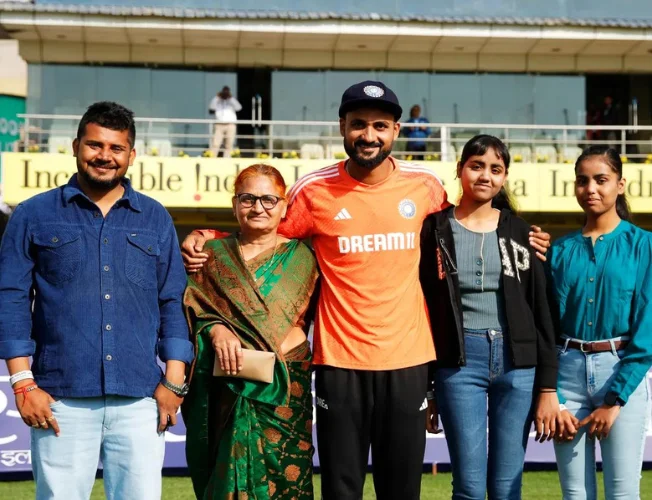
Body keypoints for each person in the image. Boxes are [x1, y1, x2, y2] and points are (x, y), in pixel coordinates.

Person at [181, 81, 551, 500]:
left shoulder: (425, 187)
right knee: (342, 488)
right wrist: (207, 236)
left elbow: (470, 219)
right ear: (342, 127)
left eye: (380, 125)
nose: (368, 135)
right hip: (340, 364)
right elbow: (262, 234)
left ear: (396, 130)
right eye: (358, 125)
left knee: (401, 489)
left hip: (409, 362)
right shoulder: (313, 190)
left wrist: (522, 235)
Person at [0, 102, 194, 500]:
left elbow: (173, 300)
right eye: (94, 145)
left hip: (141, 400)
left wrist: (174, 381)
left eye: (116, 148)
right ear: (75, 146)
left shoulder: (155, 218)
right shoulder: (33, 215)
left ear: (131, 155)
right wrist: (23, 385)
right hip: (60, 399)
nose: (104, 156)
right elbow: (12, 300)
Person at [420, 135, 560, 500]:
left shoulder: (522, 233)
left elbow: (542, 313)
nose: (485, 176)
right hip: (459, 363)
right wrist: (428, 387)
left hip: (518, 365)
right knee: (468, 485)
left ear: (505, 177)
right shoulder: (433, 230)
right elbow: (422, 310)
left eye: (495, 169)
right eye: (476, 166)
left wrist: (547, 386)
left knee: (506, 486)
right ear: (460, 170)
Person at [182, 164, 319, 499]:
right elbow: (191, 310)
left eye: (269, 200)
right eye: (248, 199)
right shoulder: (209, 256)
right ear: (234, 204)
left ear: (285, 206)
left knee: (287, 477)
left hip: (287, 386)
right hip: (228, 383)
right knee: (227, 473)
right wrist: (214, 329)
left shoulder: (304, 256)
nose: (258, 207)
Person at [547, 146, 652, 500]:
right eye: (582, 180)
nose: (590, 188)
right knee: (575, 495)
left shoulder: (644, 247)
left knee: (622, 494)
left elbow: (648, 329)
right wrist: (556, 400)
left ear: (620, 185)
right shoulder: (558, 252)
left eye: (601, 180)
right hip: (567, 375)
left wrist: (615, 400)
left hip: (621, 373)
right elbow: (545, 328)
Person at [208, 85, 242, 158]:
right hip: (219, 124)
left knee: (229, 144)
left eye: (227, 92)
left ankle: (227, 159)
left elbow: (239, 108)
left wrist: (231, 98)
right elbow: (211, 107)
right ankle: (212, 158)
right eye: (224, 92)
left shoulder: (232, 101)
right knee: (216, 143)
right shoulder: (217, 101)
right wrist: (217, 97)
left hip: (230, 124)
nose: (225, 94)